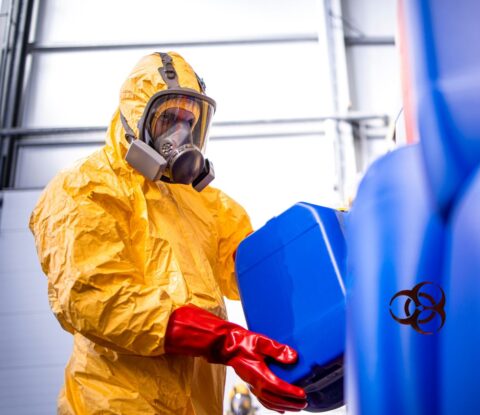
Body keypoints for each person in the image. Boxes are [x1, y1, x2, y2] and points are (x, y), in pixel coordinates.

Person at [29, 51, 307, 414]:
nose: (181, 135)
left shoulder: (207, 204)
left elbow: (256, 273)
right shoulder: (83, 189)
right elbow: (100, 301)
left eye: (190, 123)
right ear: (136, 119)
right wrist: (228, 342)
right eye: (169, 120)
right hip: (114, 405)